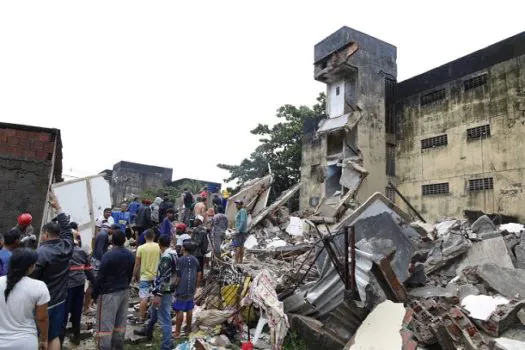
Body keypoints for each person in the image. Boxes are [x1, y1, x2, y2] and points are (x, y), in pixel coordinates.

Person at [31, 192, 74, 350]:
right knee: (54, 335)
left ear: (46, 234)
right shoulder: (68, 246)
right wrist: (58, 208)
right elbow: (67, 230)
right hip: (60, 299)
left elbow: (32, 279)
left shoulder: (41, 254)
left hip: (43, 302)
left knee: (40, 337)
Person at [0, 248, 50, 349]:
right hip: (26, 342)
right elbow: (42, 318)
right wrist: (44, 339)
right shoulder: (39, 286)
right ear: (30, 266)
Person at [92, 230, 134, 350]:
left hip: (108, 293)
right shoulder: (130, 255)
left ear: (112, 240)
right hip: (124, 291)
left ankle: (105, 347)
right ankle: (118, 345)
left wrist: (94, 295)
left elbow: (100, 276)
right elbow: (130, 274)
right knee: (120, 322)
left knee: (105, 323)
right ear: (124, 240)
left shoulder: (108, 255)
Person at [134, 235, 177, 349]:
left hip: (163, 292)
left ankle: (166, 345)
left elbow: (164, 278)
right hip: (166, 290)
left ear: (159, 244)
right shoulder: (174, 254)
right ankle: (148, 330)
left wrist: (158, 294)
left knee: (165, 318)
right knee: (153, 312)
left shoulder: (166, 257)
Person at [62, 235, 94, 345]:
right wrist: (93, 281)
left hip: (67, 286)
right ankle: (76, 337)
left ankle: (59, 341)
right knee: (77, 311)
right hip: (79, 284)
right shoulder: (82, 252)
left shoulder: (63, 252)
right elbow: (88, 269)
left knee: (64, 313)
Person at [84, 223, 119, 315]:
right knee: (93, 284)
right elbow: (99, 251)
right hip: (97, 262)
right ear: (112, 229)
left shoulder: (103, 233)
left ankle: (91, 303)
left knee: (96, 283)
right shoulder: (104, 235)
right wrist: (105, 261)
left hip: (96, 260)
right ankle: (87, 307)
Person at [173, 240, 202, 338]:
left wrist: (174, 285)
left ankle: (177, 332)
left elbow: (178, 276)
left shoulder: (180, 260)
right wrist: (196, 286)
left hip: (182, 287)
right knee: (189, 309)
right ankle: (188, 330)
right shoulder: (195, 260)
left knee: (180, 310)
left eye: (182, 247)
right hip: (191, 288)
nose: (180, 248)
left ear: (184, 249)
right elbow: (199, 274)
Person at [133, 229, 161, 324]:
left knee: (143, 298)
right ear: (154, 237)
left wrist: (134, 275)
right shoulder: (158, 247)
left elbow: (137, 264)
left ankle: (141, 318)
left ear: (145, 237)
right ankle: (154, 318)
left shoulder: (140, 248)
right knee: (155, 297)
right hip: (155, 276)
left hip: (144, 277)